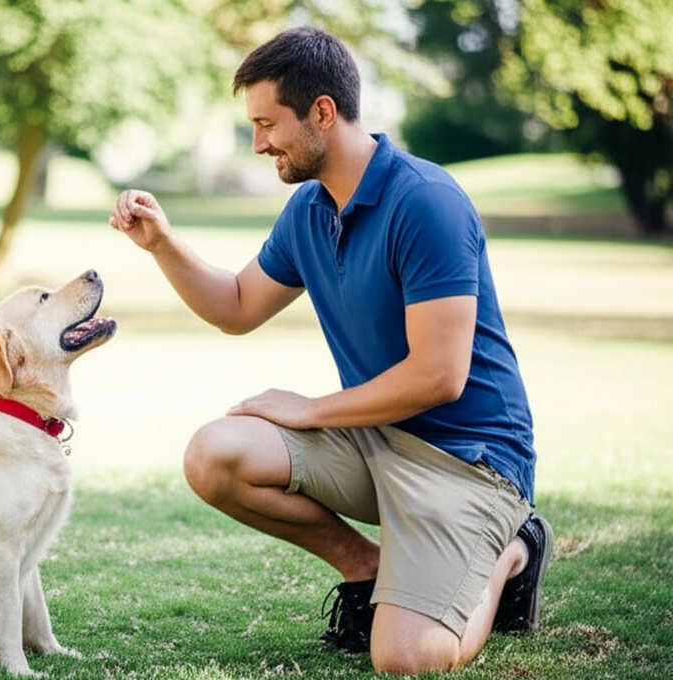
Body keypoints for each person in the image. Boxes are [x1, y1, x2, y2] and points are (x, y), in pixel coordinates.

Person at [109, 26, 553, 675]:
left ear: (322, 112)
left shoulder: (426, 202)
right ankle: (367, 570)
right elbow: (236, 306)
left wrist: (311, 408)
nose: (259, 143)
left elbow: (440, 375)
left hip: (470, 463)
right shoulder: (309, 210)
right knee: (216, 454)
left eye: (267, 123)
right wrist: (162, 245)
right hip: (375, 441)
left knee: (408, 659)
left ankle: (510, 551)